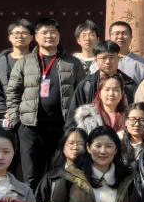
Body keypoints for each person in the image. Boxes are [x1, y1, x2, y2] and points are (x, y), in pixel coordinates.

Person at [5, 18, 87, 186]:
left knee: (60, 174)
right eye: (44, 33)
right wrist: (16, 119)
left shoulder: (73, 63)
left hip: (62, 127)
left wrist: (77, 122)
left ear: (59, 35)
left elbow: (83, 94)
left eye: (53, 32)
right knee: (31, 176)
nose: (49, 36)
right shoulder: (24, 62)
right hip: (30, 127)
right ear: (36, 37)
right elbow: (13, 92)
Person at [70, 41, 137, 116]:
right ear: (95, 60)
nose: (108, 62)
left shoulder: (129, 85)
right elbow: (73, 115)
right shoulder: (86, 84)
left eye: (112, 57)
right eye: (103, 58)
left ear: (118, 58)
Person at [0, 18, 34, 104]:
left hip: (33, 109)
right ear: (10, 37)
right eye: (16, 33)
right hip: (6, 110)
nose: (20, 36)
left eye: (24, 33)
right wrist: (2, 110)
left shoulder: (39, 59)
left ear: (31, 37)